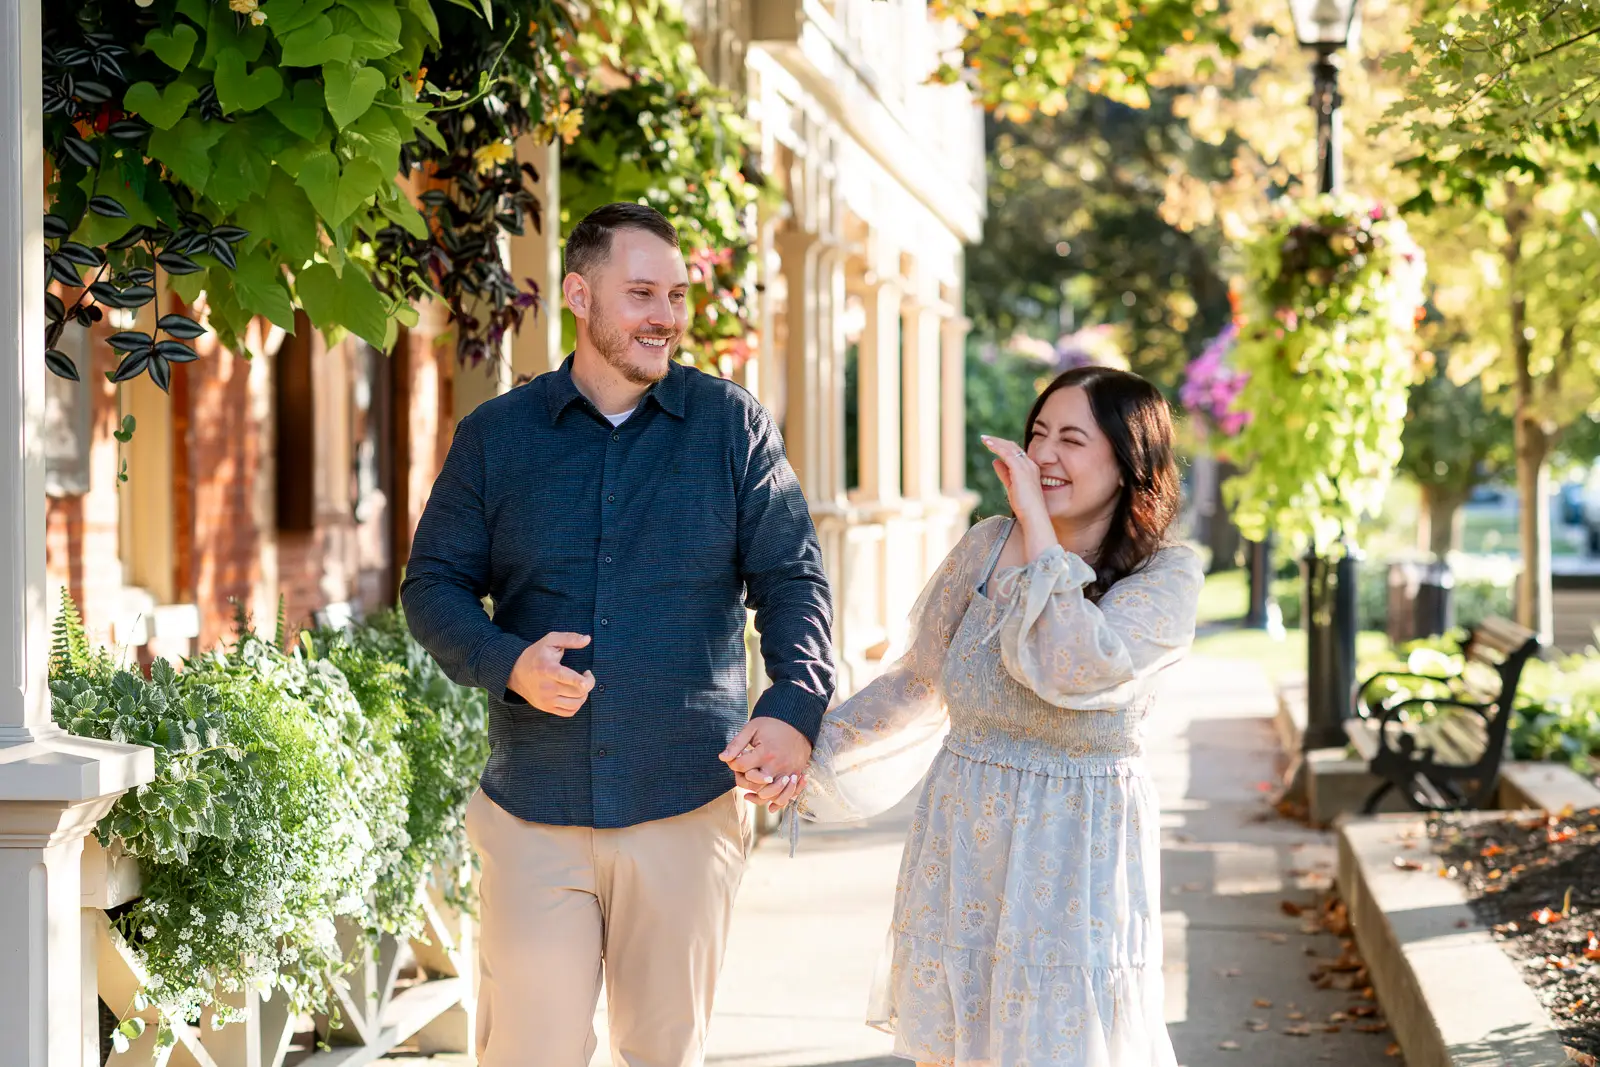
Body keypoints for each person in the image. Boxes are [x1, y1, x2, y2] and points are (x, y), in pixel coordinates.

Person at [400, 202, 834, 1067]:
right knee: (530, 1053)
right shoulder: (497, 438)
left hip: (683, 800)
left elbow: (792, 579)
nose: (664, 316)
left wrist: (792, 707)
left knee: (665, 1056)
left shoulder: (730, 427)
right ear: (577, 293)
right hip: (535, 809)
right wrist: (508, 662)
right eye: (641, 293)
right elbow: (431, 585)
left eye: (674, 296)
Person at [792, 365, 1203, 1066]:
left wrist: (1038, 527)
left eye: (1072, 439)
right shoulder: (984, 546)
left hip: (1075, 859)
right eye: (1038, 433)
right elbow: (917, 682)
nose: (1044, 454)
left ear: (1129, 461)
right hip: (964, 850)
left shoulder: (1167, 578)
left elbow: (1075, 665)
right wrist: (803, 749)